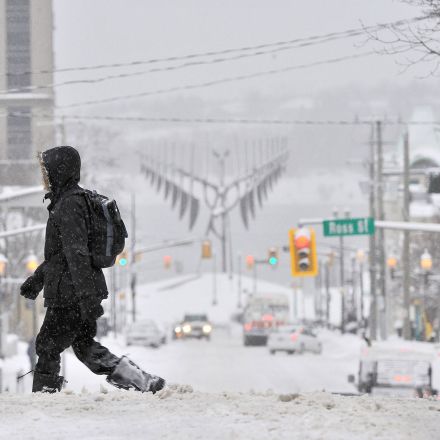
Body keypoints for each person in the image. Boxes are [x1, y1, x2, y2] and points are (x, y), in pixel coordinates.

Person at [19, 146, 165, 394]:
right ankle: (141, 380)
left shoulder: (69, 205)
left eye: (46, 170)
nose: (44, 176)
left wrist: (86, 298)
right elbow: (62, 256)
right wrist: (37, 280)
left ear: (60, 171)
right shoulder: (70, 201)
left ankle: (44, 398)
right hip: (75, 289)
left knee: (47, 345)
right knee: (84, 345)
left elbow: (76, 255)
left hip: (71, 292)